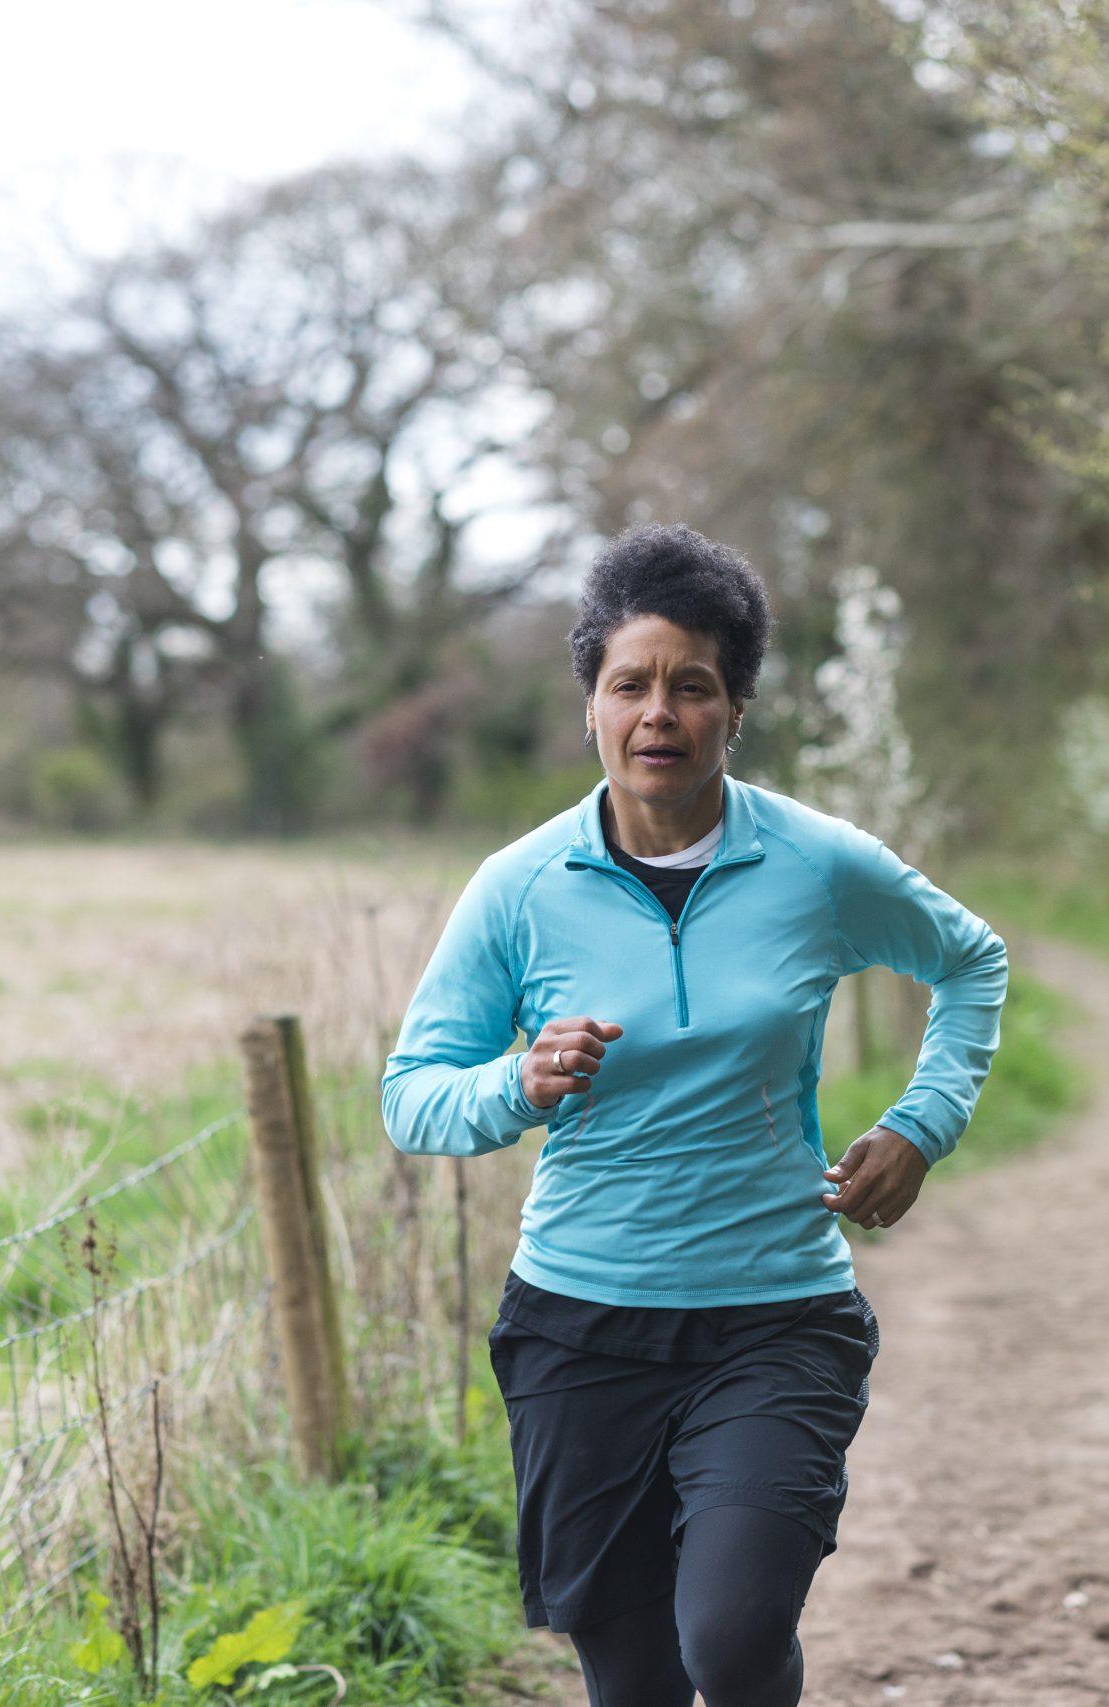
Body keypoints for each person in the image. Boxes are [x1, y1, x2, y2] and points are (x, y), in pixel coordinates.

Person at [378, 522, 1008, 1706]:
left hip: (775, 1317)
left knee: (730, 1634)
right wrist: (517, 1082)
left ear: (733, 711)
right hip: (578, 1330)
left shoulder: (816, 866)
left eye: (692, 687)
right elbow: (412, 1098)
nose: (658, 713)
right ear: (592, 707)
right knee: (637, 1681)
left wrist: (922, 1123)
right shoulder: (518, 888)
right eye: (631, 685)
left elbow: (970, 961)